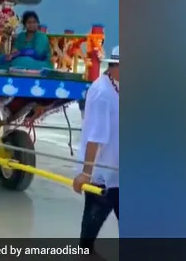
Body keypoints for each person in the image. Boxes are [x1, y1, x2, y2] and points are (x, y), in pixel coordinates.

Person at [72, 45, 119, 255]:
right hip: (101, 178)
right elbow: (95, 138)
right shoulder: (102, 93)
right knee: (87, 243)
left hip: (120, 174)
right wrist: (86, 173)